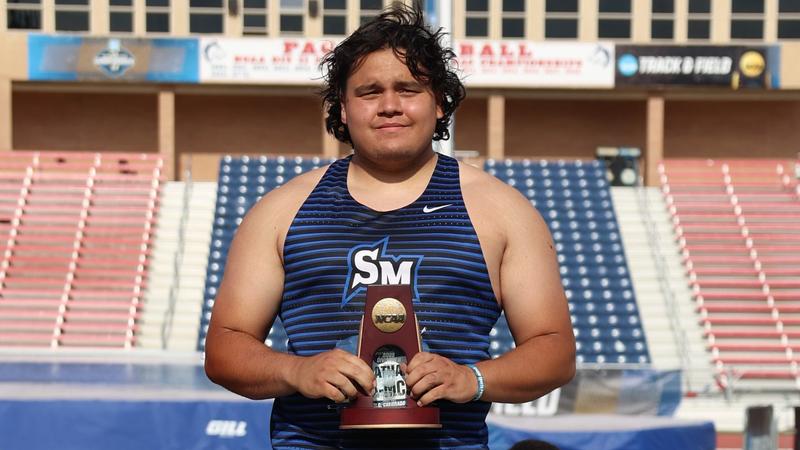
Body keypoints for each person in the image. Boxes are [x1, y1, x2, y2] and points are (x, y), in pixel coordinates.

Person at [204, 5, 575, 449]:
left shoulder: (501, 210)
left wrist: (470, 378)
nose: (390, 106)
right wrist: (296, 370)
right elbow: (225, 347)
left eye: (408, 88)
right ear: (343, 107)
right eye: (369, 91)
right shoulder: (281, 210)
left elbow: (554, 350)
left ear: (439, 102)